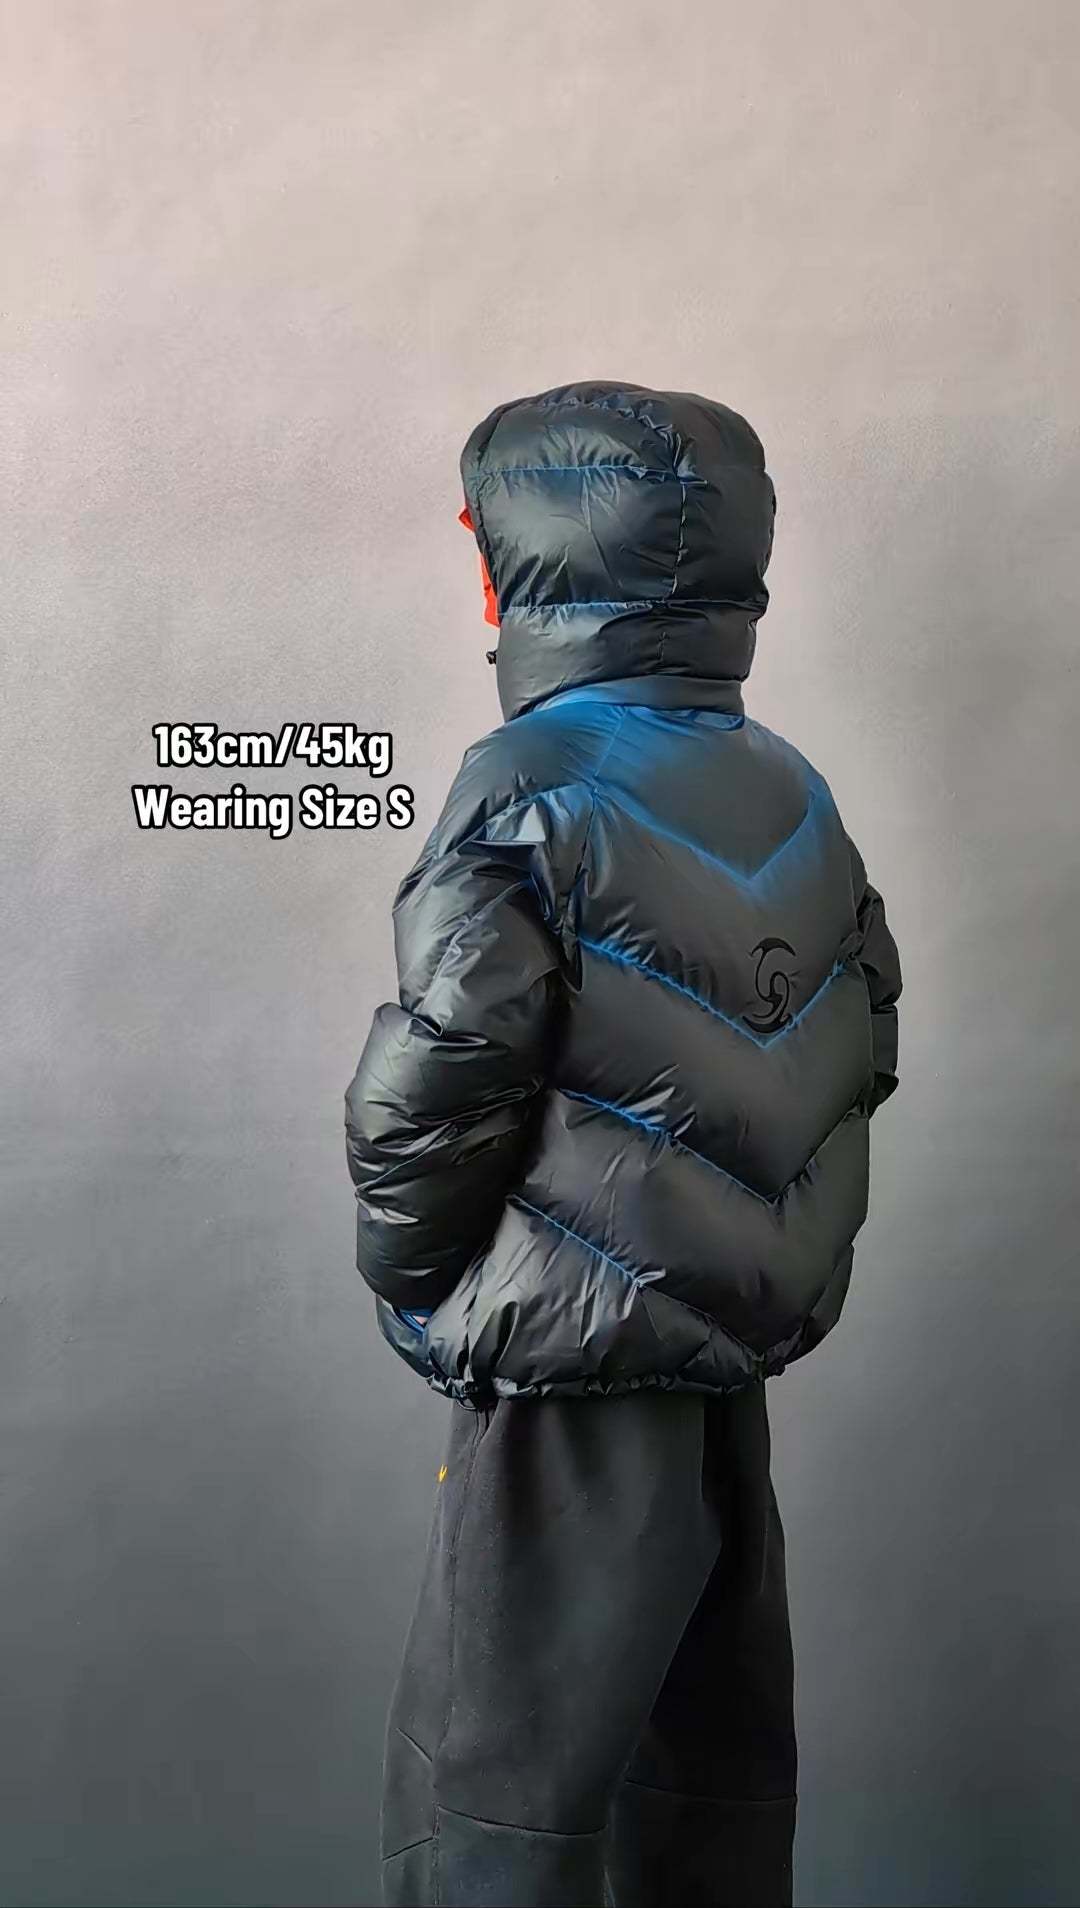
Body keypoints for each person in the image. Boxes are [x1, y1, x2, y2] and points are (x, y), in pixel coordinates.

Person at [344, 380, 902, 1908]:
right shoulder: (788, 782)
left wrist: (422, 1292)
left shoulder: (526, 785)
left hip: (564, 1378)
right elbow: (864, 1035)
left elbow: (433, 1082)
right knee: (706, 1796)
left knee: (493, 1812)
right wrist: (772, 1269)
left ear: (519, 568)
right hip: (720, 1379)